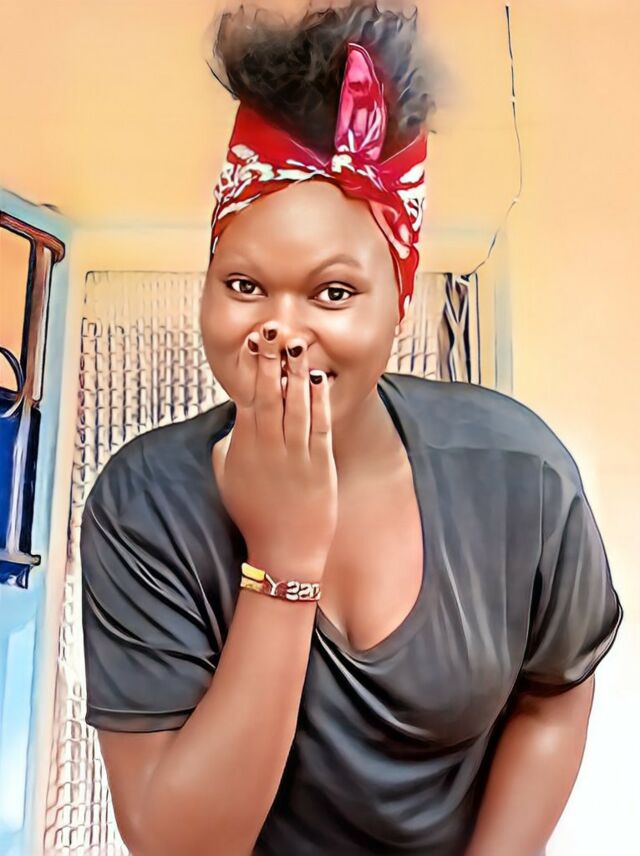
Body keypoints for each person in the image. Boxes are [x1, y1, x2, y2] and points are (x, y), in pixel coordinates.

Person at [79, 3, 623, 855]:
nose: (281, 327)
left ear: (400, 301)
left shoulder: (521, 475)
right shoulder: (144, 505)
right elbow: (181, 844)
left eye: (332, 292)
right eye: (244, 285)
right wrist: (285, 556)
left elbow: (556, 691)